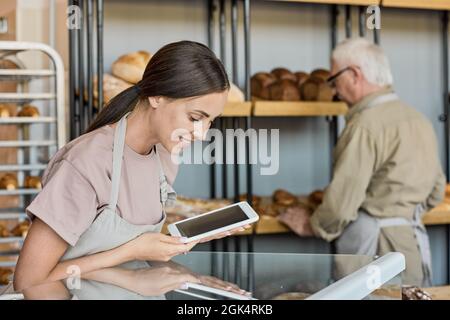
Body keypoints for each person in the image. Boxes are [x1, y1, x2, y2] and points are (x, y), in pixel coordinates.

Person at [14, 41, 249, 291]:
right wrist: (131, 255)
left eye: (210, 121)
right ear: (156, 96)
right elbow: (30, 281)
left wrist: (189, 265)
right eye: (195, 118)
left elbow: (129, 253)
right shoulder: (86, 162)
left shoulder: (165, 158)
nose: (202, 134)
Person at [281, 38, 446, 286]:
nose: (334, 90)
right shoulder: (418, 120)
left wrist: (312, 226)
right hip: (411, 246)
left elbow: (340, 206)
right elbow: (435, 192)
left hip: (374, 252)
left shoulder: (364, 125)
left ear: (355, 74)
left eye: (334, 80)